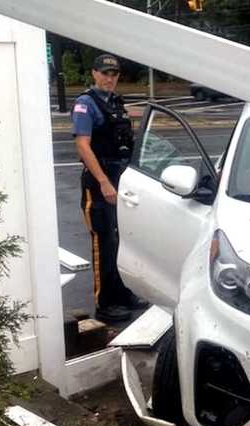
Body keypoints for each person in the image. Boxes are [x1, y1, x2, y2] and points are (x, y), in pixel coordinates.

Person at [71, 53, 147, 322]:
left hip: (120, 180)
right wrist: (103, 182)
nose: (109, 78)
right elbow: (83, 145)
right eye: (104, 73)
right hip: (99, 184)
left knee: (120, 241)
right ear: (93, 73)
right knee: (103, 243)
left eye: (113, 74)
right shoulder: (86, 104)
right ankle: (104, 304)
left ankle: (122, 293)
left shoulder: (116, 102)